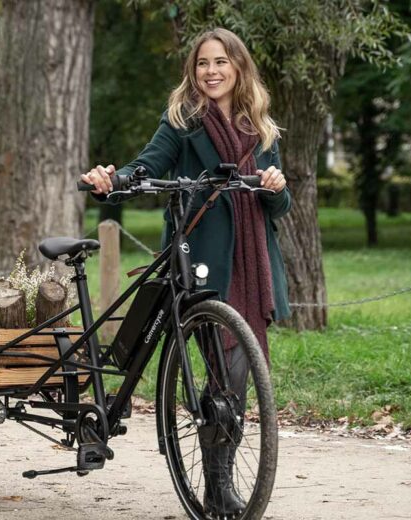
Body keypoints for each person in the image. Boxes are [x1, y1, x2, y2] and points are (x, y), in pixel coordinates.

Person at [81, 27, 291, 516]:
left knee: (234, 382)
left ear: (238, 67)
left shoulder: (262, 129)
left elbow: (278, 207)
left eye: (220, 61)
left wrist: (276, 186)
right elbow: (145, 166)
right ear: (192, 71)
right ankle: (217, 486)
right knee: (224, 374)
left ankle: (217, 485)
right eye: (202, 63)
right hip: (201, 263)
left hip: (252, 265)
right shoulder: (182, 121)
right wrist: (111, 182)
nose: (211, 71)